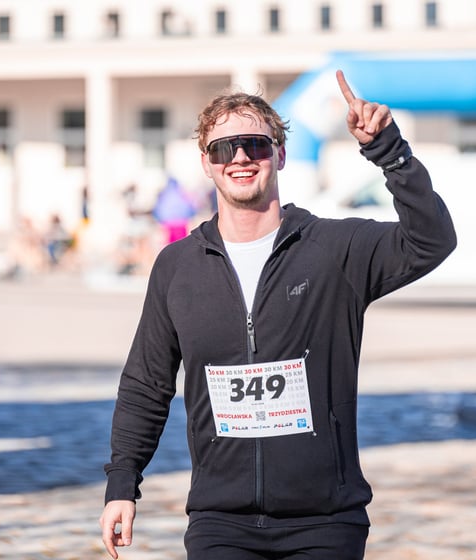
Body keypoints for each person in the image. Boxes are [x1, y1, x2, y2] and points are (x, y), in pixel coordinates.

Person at [99, 71, 456, 559]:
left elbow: (430, 242)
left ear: (280, 154)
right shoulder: (177, 267)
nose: (240, 158)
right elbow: (146, 382)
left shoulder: (335, 249)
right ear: (206, 163)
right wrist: (122, 482)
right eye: (224, 149)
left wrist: (389, 152)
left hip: (325, 522)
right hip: (219, 521)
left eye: (255, 145)